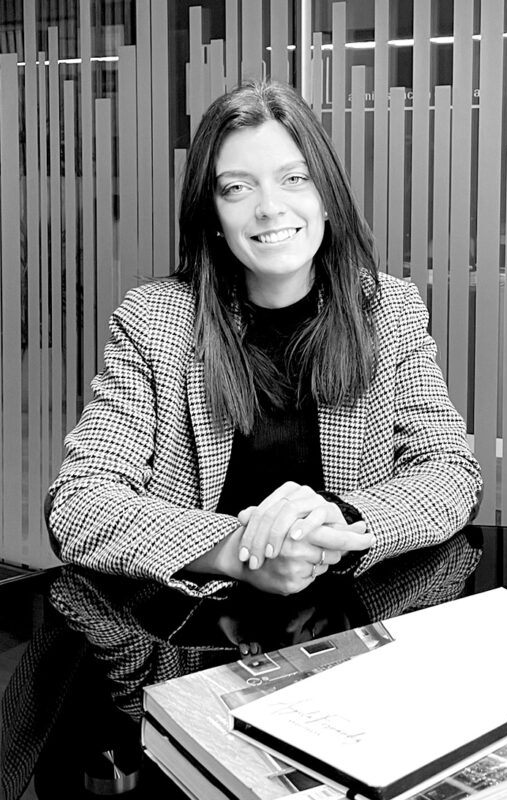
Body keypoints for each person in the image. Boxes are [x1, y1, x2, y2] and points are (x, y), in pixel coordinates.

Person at [47, 80, 482, 598]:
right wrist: (239, 551)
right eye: (237, 187)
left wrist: (334, 522)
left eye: (294, 178)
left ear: (326, 199)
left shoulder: (388, 310)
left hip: (354, 620)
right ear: (213, 217)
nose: (270, 208)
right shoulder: (154, 321)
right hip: (191, 632)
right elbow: (79, 501)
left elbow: (451, 472)